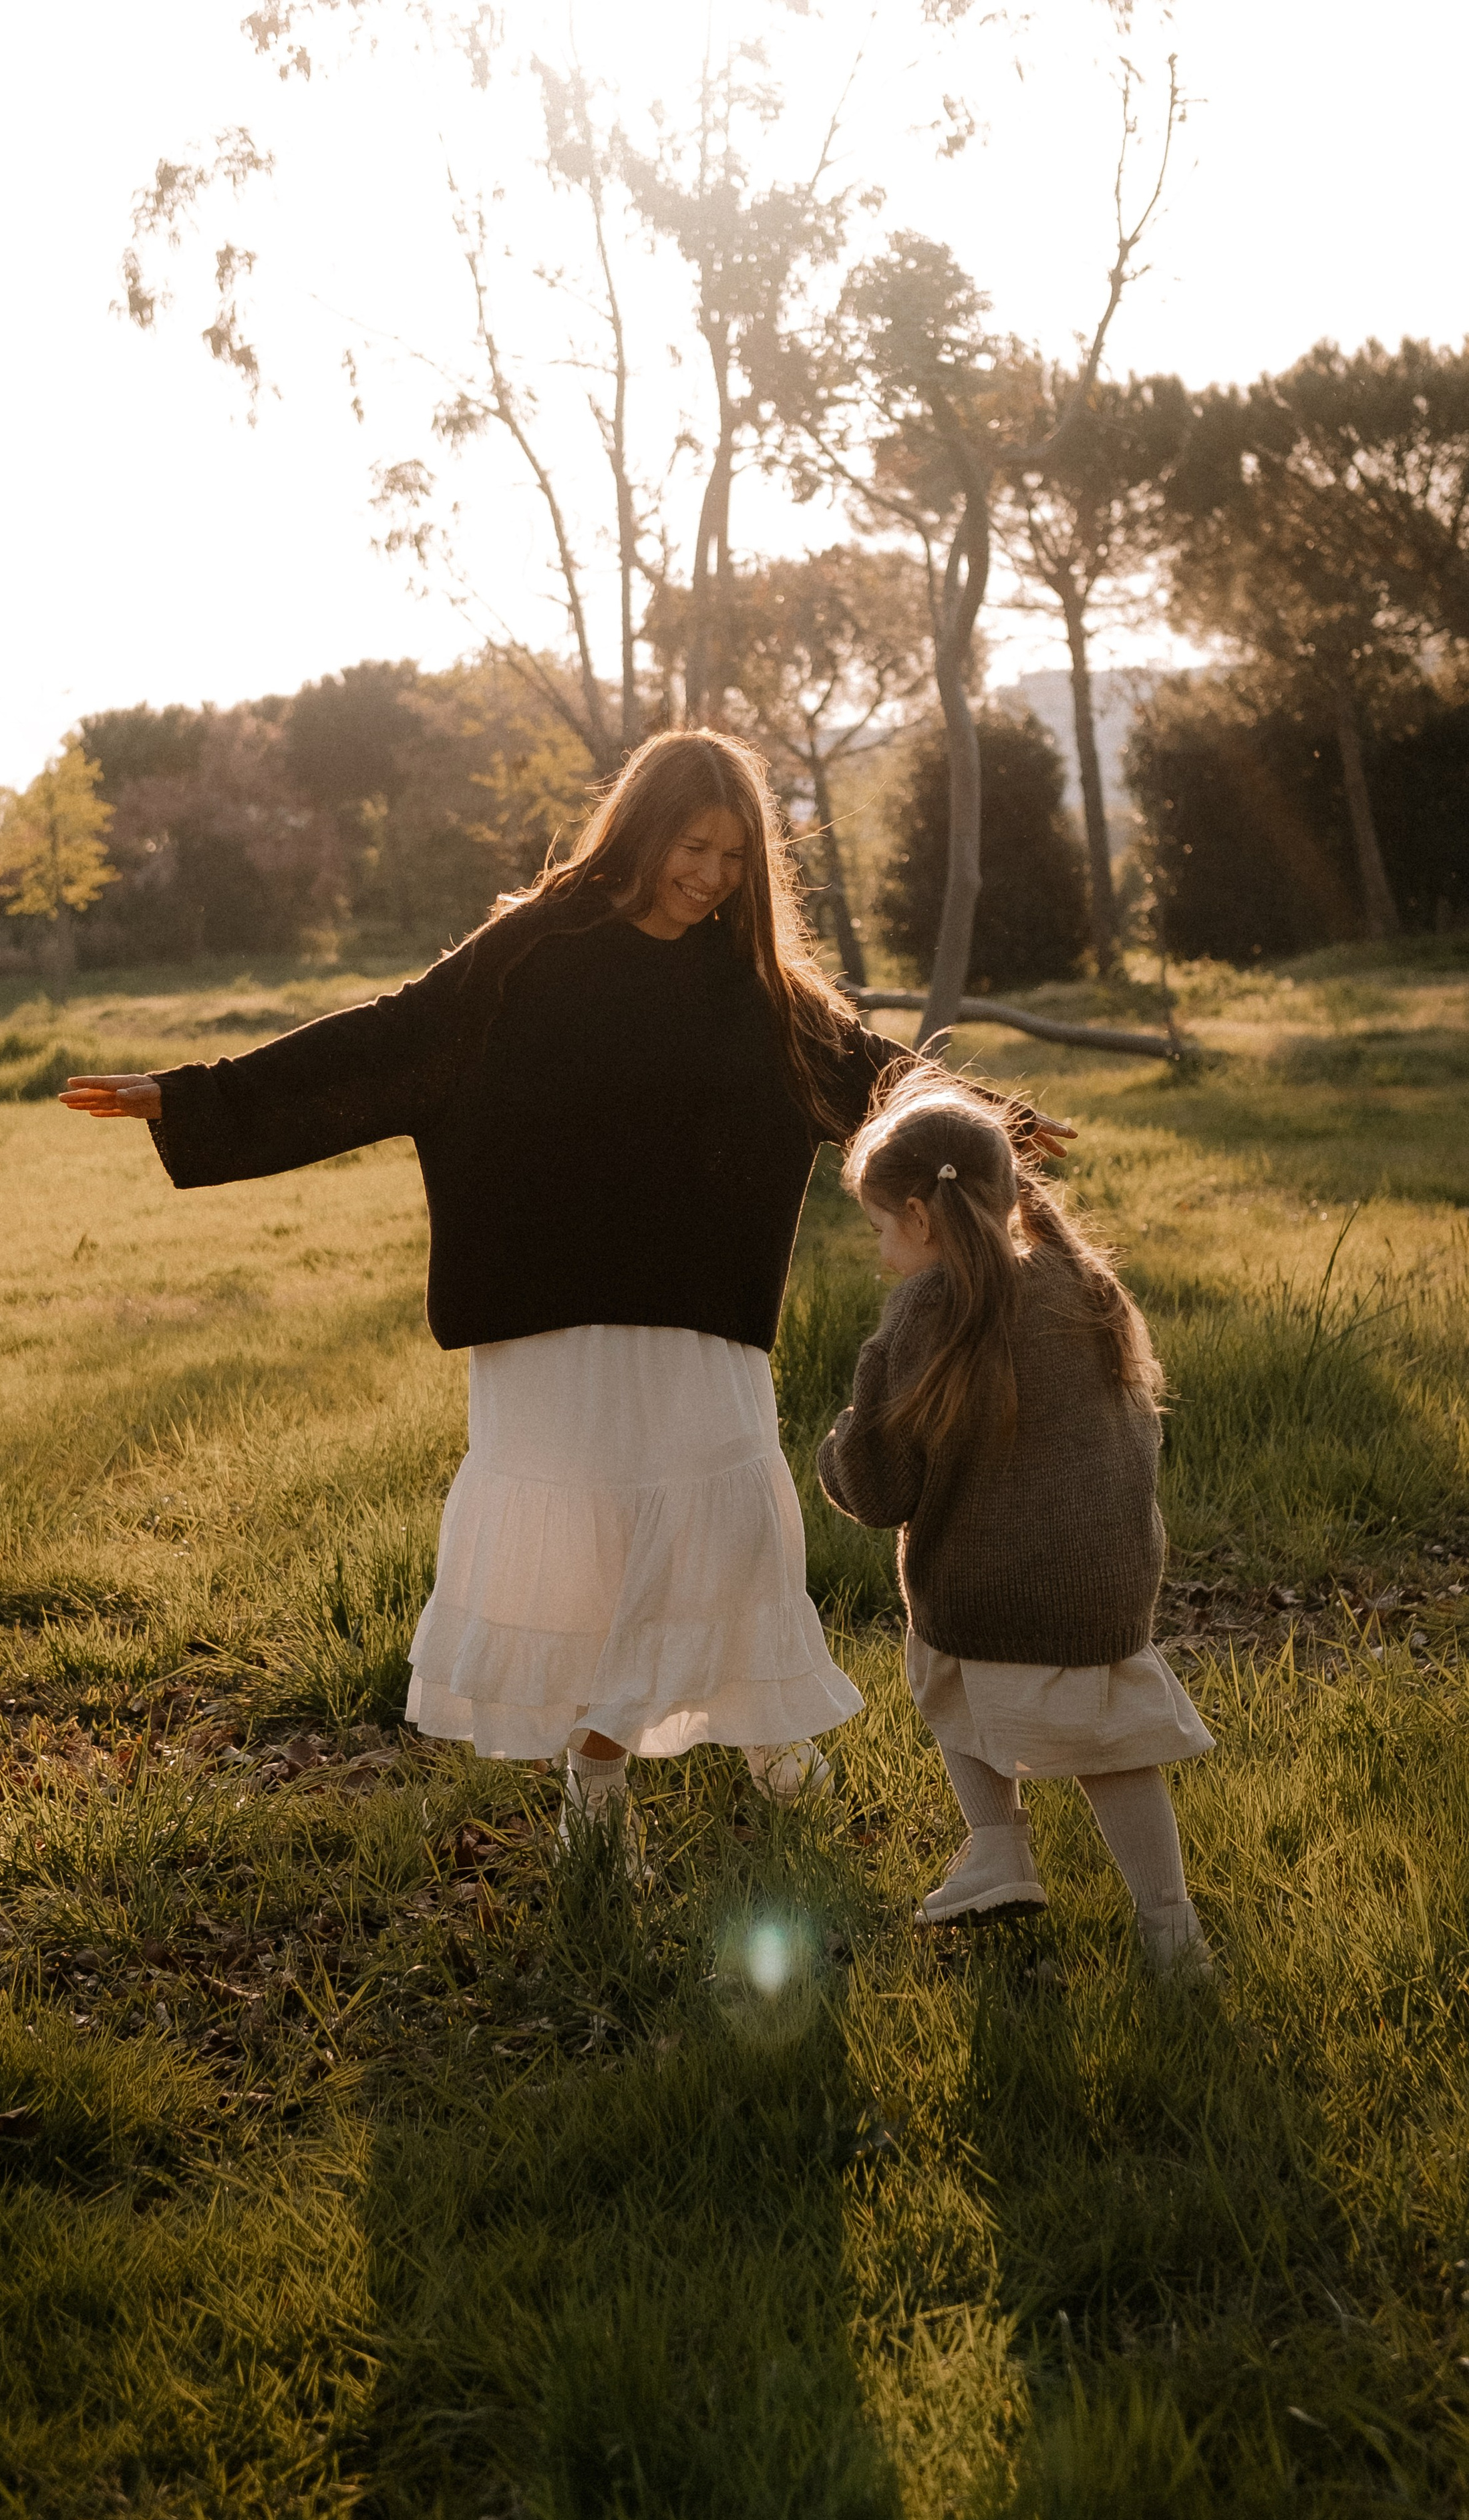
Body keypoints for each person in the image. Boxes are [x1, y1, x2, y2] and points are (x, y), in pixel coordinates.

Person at [61, 729, 1068, 1851]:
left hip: (698, 1308)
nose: (713, 876)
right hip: (551, 1315)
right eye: (694, 845)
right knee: (596, 1558)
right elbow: (386, 1042)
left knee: (725, 1535)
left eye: (738, 858)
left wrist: (994, 1128)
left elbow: (874, 1077)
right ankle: (597, 1803)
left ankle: (761, 1718)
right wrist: (193, 1098)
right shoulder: (529, 952)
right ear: (641, 831)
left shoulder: (758, 991)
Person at [816, 1065, 1212, 1973]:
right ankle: (1169, 1924)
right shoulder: (1081, 1279)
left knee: (945, 1668)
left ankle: (998, 1845)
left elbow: (880, 1490)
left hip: (982, 1597)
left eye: (880, 1229)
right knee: (1114, 1749)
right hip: (1106, 1594)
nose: (882, 1253)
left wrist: (833, 1453)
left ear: (919, 1217)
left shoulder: (927, 1304)